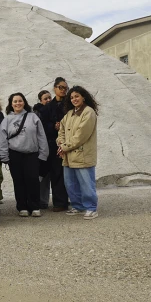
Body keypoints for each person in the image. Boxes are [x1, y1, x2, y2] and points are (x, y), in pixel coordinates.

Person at [0, 93, 49, 218]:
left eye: (20, 101)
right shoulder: (7, 120)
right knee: (19, 181)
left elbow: (41, 136)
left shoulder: (33, 117)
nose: (17, 103)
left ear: (24, 102)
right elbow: (2, 139)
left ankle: (35, 206)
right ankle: (22, 206)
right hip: (15, 154)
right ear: (11, 104)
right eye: (14, 101)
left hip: (32, 154)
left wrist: (43, 153)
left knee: (33, 180)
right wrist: (4, 156)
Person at [57, 86, 99, 220]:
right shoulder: (70, 113)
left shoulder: (88, 112)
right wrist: (61, 143)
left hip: (83, 154)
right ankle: (78, 205)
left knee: (86, 183)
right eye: (72, 97)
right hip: (69, 155)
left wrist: (65, 146)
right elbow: (61, 129)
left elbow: (81, 135)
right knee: (71, 183)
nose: (74, 99)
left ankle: (91, 207)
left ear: (83, 97)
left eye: (77, 96)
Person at [39, 78, 70, 211]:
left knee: (68, 174)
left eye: (65, 88)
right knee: (56, 173)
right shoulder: (47, 108)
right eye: (60, 87)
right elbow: (42, 126)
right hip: (53, 145)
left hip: (69, 143)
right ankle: (58, 202)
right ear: (55, 88)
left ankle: (67, 200)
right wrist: (53, 126)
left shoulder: (69, 105)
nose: (63, 90)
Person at [33, 90, 52, 210]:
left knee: (47, 176)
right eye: (45, 98)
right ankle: (37, 200)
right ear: (40, 100)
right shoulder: (36, 113)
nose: (48, 100)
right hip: (40, 148)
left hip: (52, 147)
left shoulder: (54, 110)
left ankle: (44, 201)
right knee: (39, 175)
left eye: (49, 98)